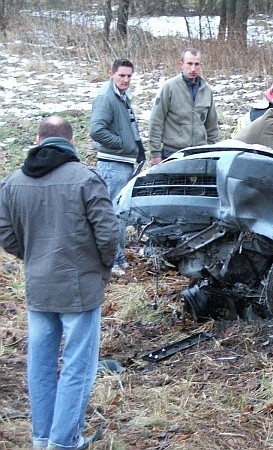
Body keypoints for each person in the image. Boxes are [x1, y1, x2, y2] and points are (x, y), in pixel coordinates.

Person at [0, 116, 119, 449]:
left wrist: (36, 256)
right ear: (72, 142)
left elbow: (6, 235)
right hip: (79, 288)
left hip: (38, 285)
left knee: (40, 365)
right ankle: (64, 442)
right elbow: (109, 235)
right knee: (77, 368)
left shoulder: (11, 183)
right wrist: (102, 269)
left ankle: (42, 438)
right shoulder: (85, 179)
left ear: (38, 139)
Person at [90, 58, 153, 276]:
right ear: (111, 74)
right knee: (112, 214)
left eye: (129, 76)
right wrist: (123, 144)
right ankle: (111, 261)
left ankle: (119, 257)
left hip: (125, 163)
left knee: (122, 213)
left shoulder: (122, 97)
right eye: (121, 75)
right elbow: (96, 130)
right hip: (112, 164)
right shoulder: (106, 98)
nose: (126, 80)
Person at [148, 48, 219, 160]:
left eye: (196, 64)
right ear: (181, 64)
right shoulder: (169, 88)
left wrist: (212, 151)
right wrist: (155, 154)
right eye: (189, 64)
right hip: (172, 153)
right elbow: (156, 121)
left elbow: (212, 126)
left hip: (199, 153)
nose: (193, 68)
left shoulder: (207, 91)